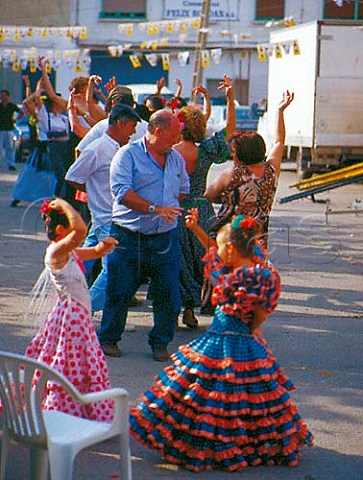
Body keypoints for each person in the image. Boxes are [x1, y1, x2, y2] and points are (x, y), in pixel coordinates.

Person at [129, 208, 314, 471]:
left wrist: (249, 325)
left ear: (232, 249)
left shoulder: (233, 278)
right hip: (247, 341)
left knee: (213, 395)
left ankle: (215, 444)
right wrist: (195, 230)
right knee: (251, 397)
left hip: (223, 341)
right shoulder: (256, 269)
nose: (217, 251)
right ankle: (253, 442)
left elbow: (220, 268)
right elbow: (259, 309)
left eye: (222, 247)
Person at [97, 110, 190, 362]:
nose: (176, 140)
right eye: (173, 135)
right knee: (120, 290)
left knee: (169, 294)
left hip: (165, 237)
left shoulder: (176, 159)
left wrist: (165, 210)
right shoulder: (127, 155)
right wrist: (154, 208)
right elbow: (121, 192)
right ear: (157, 131)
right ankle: (108, 339)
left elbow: (182, 191)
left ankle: (160, 342)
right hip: (128, 237)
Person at [25, 198, 117, 422]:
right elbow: (81, 229)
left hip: (77, 317)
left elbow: (94, 251)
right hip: (71, 321)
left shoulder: (69, 251)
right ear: (60, 230)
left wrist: (103, 248)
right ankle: (64, 410)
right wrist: (64, 204)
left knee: (79, 362)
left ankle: (80, 408)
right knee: (69, 363)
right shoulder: (56, 251)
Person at [65, 104, 141, 314]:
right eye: (132, 127)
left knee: (83, 262)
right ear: (119, 123)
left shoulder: (116, 146)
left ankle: (70, 302)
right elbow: (73, 177)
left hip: (111, 216)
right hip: (106, 217)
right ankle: (81, 312)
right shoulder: (97, 148)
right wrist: (95, 192)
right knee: (113, 271)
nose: (133, 132)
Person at [174, 74, 236, 328]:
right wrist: (229, 99)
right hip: (202, 209)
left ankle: (185, 308)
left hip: (176, 210)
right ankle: (210, 303)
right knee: (206, 259)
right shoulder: (207, 150)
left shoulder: (168, 151)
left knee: (179, 262)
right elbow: (230, 128)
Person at [205, 90, 295, 249]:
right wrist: (280, 111)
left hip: (229, 237)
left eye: (234, 152)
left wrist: (229, 199)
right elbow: (279, 141)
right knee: (253, 270)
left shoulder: (232, 174)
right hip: (258, 238)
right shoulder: (271, 171)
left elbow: (209, 195)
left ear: (240, 155)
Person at [0, 89, 24, 170]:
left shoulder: (11, 106)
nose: (3, 97)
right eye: (2, 95)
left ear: (8, 96)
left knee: (10, 148)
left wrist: (16, 119)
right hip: (0, 129)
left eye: (4, 95)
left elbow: (21, 112)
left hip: (9, 129)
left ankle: (11, 163)